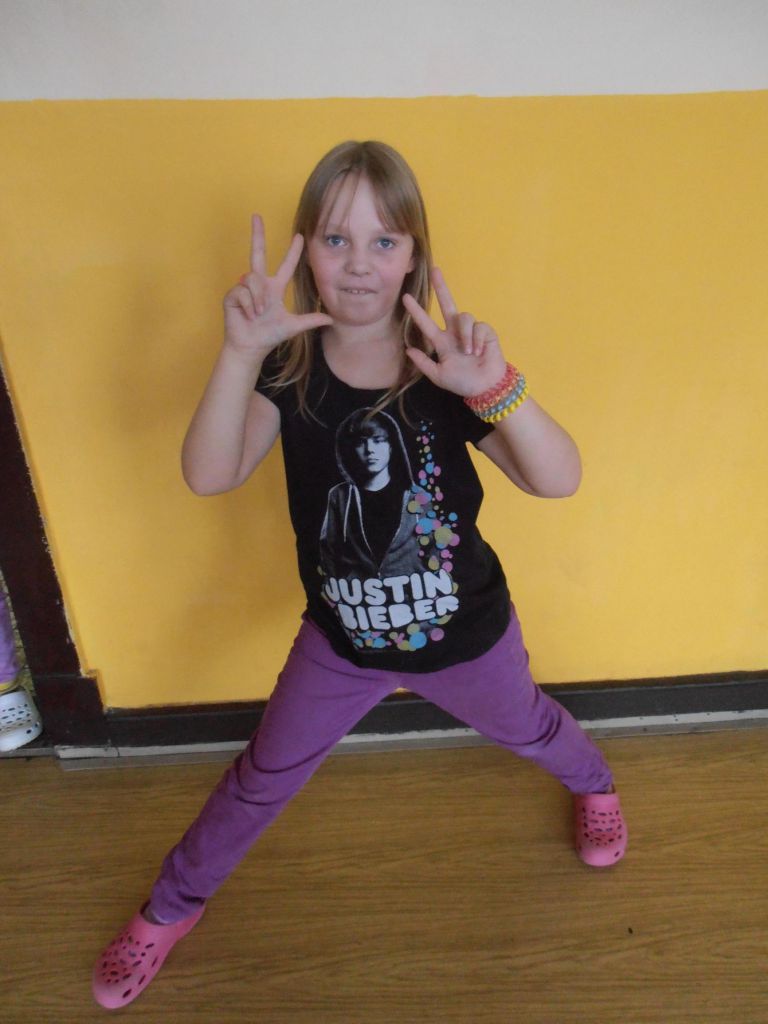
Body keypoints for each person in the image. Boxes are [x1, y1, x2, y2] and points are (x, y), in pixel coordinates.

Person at [92, 140, 627, 1010]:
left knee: (531, 728)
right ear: (306, 249)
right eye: (336, 239)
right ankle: (169, 908)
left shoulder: (444, 368)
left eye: (384, 241)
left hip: (467, 637)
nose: (358, 264)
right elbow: (209, 474)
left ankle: (596, 784)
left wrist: (496, 384)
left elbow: (557, 478)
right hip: (340, 645)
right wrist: (238, 353)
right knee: (261, 779)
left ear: (414, 254)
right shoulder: (285, 370)